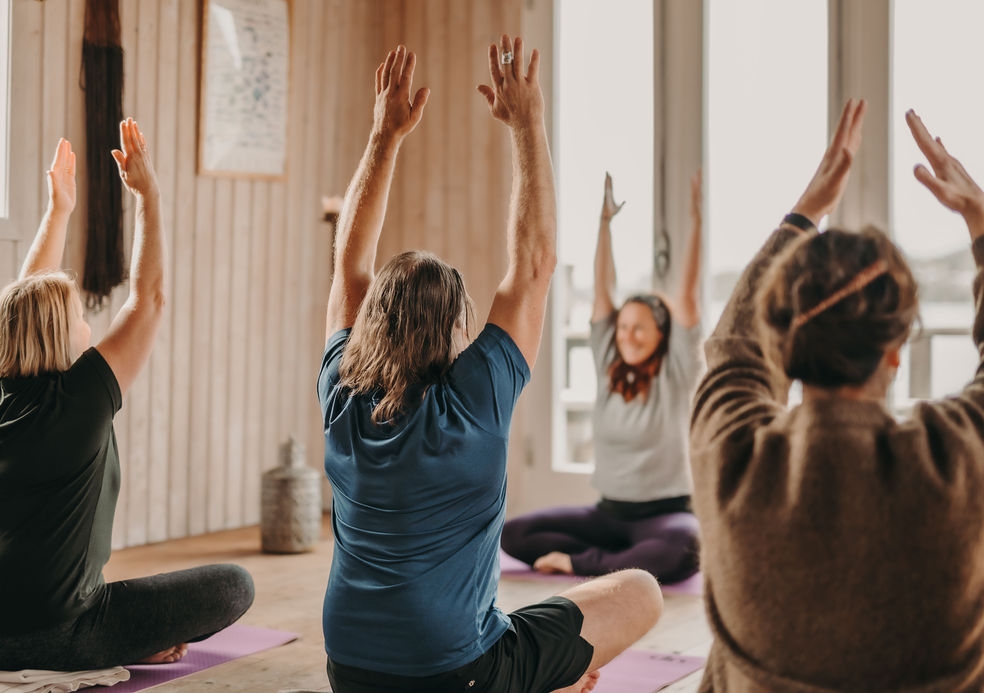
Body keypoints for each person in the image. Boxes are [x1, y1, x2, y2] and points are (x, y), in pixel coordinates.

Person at [318, 38, 663, 693]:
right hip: (457, 673)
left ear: (374, 322)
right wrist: (528, 125)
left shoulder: (342, 395)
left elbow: (349, 267)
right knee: (640, 590)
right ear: (453, 328)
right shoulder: (472, 401)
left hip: (350, 671)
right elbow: (533, 266)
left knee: (506, 617)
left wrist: (383, 134)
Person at [691, 98, 984, 691]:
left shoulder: (732, 456)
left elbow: (732, 349)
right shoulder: (956, 458)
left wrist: (806, 212)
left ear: (784, 340)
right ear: (896, 350)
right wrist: (981, 224)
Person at [0, 121, 253, 671]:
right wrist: (150, 196)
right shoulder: (79, 400)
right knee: (234, 585)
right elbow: (149, 299)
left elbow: (24, 302)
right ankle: (119, 646)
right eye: (75, 313)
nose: (86, 318)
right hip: (44, 638)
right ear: (56, 335)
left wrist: (60, 210)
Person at [501, 170, 704, 583]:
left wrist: (697, 223)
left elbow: (686, 296)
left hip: (665, 516)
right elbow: (602, 291)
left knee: (686, 549)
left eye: (639, 328)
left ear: (662, 335)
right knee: (514, 534)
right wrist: (604, 225)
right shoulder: (609, 363)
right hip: (608, 514)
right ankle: (622, 558)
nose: (627, 335)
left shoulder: (677, 370)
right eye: (623, 326)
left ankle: (582, 563)